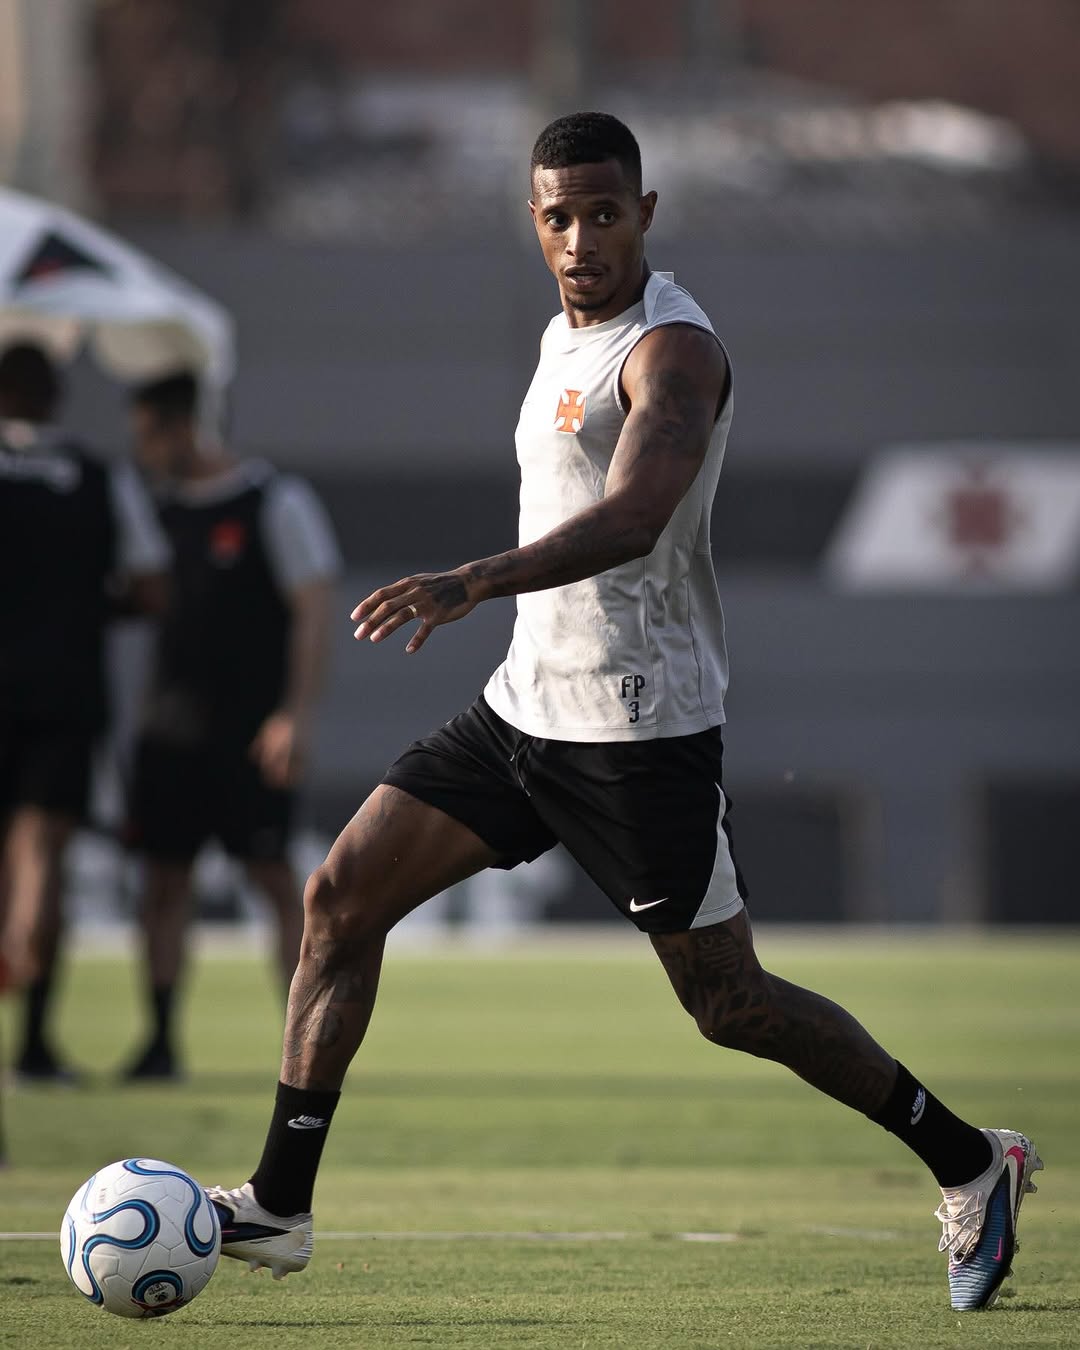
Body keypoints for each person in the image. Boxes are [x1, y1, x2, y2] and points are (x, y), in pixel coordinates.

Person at [205, 113, 1041, 1312]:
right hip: (519, 712)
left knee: (730, 1004)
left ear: (645, 212)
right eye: (560, 217)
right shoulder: (562, 332)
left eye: (605, 213)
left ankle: (969, 1160)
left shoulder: (675, 352)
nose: (582, 239)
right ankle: (281, 1204)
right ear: (534, 222)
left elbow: (640, 515)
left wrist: (474, 579)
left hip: (638, 731)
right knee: (340, 897)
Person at [123, 371, 341, 1081]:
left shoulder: (272, 500)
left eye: (149, 434)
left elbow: (313, 607)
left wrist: (295, 714)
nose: (143, 450)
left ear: (182, 426)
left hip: (251, 732)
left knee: (274, 881)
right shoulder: (153, 509)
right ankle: (159, 1042)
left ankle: (305, 1046)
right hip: (169, 731)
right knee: (163, 882)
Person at [0, 341, 170, 1082]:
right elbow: (152, 587)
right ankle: (33, 1045)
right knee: (40, 859)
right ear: (55, 399)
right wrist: (81, 608)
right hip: (65, 690)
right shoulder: (99, 476)